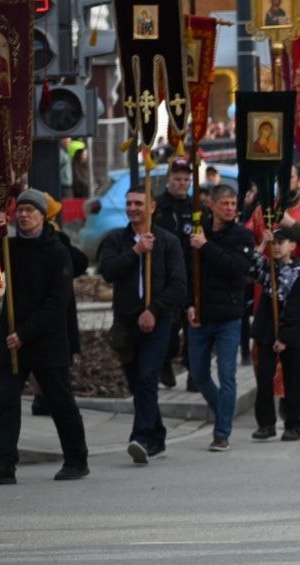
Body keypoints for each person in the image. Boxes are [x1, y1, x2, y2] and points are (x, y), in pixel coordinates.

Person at [0, 191, 90, 484]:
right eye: (20, 210)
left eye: (30, 211)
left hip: (46, 340)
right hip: (11, 339)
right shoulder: (9, 247)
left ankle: (76, 459)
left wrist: (25, 333)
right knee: (7, 402)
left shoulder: (56, 250)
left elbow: (56, 302)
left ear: (43, 216)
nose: (24, 215)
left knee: (60, 401)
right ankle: (3, 464)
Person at [97, 187, 188, 465]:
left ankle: (141, 438)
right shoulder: (116, 239)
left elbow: (178, 284)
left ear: (152, 207)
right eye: (129, 203)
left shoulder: (168, 242)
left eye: (139, 203)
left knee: (148, 377)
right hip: (125, 323)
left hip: (157, 323)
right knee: (138, 383)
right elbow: (108, 271)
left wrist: (153, 310)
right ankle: (157, 434)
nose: (133, 208)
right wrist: (136, 251)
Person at [186, 184, 254, 452]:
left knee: (228, 375)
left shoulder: (242, 236)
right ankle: (224, 410)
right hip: (200, 317)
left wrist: (207, 248)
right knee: (200, 374)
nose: (230, 208)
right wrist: (188, 305)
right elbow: (188, 273)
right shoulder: (197, 233)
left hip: (228, 316)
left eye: (233, 203)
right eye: (224, 203)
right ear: (211, 205)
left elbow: (236, 269)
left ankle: (222, 432)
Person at [251, 225, 300, 441]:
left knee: (292, 381)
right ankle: (266, 424)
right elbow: (250, 267)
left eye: (280, 243)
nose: (276, 247)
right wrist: (262, 243)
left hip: (289, 335)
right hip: (266, 331)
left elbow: (295, 310)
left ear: (292, 246)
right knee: (264, 377)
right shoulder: (268, 269)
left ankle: (293, 425)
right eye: (274, 243)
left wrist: (284, 337)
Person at [152, 159, 195, 390]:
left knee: (193, 326)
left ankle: (192, 372)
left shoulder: (195, 207)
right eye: (177, 179)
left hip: (191, 274)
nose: (182, 183)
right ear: (169, 179)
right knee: (168, 326)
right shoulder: (157, 207)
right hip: (166, 276)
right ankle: (165, 364)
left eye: (186, 179)